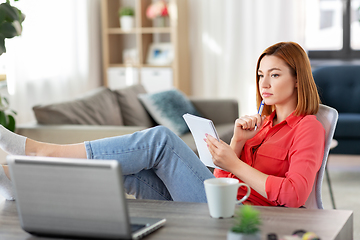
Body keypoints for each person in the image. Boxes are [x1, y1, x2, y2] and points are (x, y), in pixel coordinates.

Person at [0, 41, 324, 208]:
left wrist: (235, 161)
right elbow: (221, 178)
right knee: (128, 171)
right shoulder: (263, 125)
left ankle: (42, 150)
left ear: (298, 80)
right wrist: (237, 142)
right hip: (221, 200)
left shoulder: (307, 127)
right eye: (260, 74)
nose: (264, 83)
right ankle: (20, 181)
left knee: (160, 140)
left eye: (275, 74)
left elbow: (294, 195)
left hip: (240, 215)